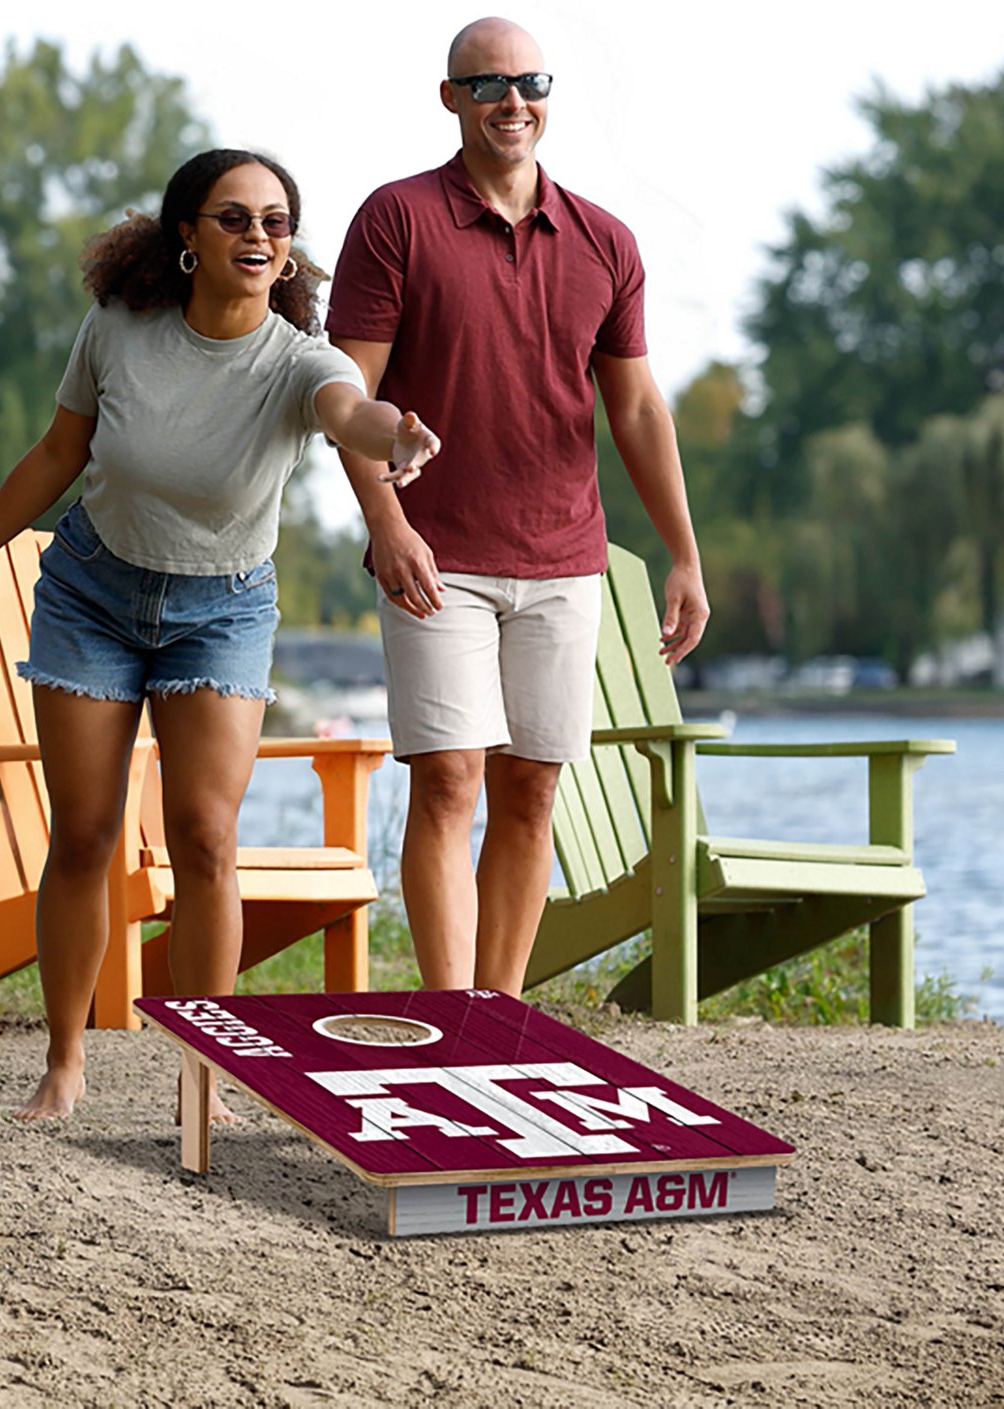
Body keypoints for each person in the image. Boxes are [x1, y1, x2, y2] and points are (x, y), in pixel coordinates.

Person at [0, 148, 441, 1121]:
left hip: (223, 610)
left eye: (275, 223)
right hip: (92, 596)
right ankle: (65, 1061)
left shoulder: (299, 359)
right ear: (188, 238)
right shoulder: (120, 329)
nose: (257, 235)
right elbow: (58, 453)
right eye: (234, 217)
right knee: (84, 833)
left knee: (206, 837)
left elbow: (348, 414)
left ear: (288, 253)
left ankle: (206, 1074)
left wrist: (394, 438)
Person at [326, 18, 709, 997]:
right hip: (436, 553)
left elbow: (635, 406)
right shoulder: (395, 219)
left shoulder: (605, 241)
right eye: (488, 84)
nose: (512, 100)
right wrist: (388, 524)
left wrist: (682, 554)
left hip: (564, 556)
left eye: (529, 81)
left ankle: (497, 1013)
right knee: (449, 777)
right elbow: (344, 398)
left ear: (547, 94)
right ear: (450, 97)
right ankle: (451, 1014)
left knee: (531, 787)